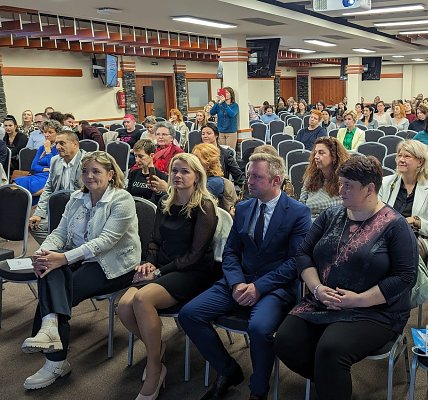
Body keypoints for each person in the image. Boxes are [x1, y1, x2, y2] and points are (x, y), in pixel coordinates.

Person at [274, 156, 418, 400]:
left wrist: (358, 300)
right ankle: (331, 382)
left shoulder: (395, 225)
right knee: (285, 342)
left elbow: (405, 277)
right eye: (341, 183)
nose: (340, 190)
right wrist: (317, 288)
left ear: (370, 189)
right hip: (322, 299)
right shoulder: (332, 215)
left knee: (331, 350)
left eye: (348, 185)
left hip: (374, 310)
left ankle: (331, 382)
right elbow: (303, 254)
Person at [179, 152, 312, 400]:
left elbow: (295, 262)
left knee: (259, 328)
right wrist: (238, 281)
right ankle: (228, 370)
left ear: (276, 181)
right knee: (190, 314)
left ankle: (258, 390)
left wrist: (259, 287)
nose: (249, 181)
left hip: (275, 286)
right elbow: (231, 251)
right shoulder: (243, 207)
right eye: (249, 175)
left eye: (257, 177)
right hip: (238, 280)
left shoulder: (297, 212)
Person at [21, 151, 141, 390]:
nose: (89, 176)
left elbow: (105, 242)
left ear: (110, 174)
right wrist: (43, 253)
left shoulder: (122, 199)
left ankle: (54, 357)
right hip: (80, 257)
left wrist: (63, 258)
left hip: (114, 265)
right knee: (49, 269)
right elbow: (60, 232)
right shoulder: (77, 197)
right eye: (85, 171)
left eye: (96, 171)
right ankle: (51, 336)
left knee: (63, 288)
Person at [118, 153, 220, 400]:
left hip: (193, 273)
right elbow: (155, 241)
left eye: (185, 171)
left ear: (197, 177)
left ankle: (155, 368)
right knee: (123, 306)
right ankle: (157, 348)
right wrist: (148, 263)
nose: (178, 175)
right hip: (164, 267)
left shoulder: (204, 206)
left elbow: (195, 256)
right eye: (175, 170)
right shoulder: (166, 200)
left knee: (142, 300)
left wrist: (160, 271)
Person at [379, 140, 428, 268]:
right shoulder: (386, 183)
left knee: (401, 248)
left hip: (418, 239)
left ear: (420, 162)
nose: (401, 159)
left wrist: (417, 222)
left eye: (407, 156)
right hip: (387, 235)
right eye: (399, 155)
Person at [28, 132, 85, 244]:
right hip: (59, 208)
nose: (58, 147)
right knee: (35, 226)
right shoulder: (55, 160)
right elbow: (48, 188)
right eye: (57, 143)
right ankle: (59, 250)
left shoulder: (87, 161)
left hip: (81, 210)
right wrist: (39, 213)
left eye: (62, 143)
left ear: (75, 144)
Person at [300, 137, 350, 220]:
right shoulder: (310, 178)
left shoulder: (344, 180)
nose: (316, 157)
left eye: (321, 153)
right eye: (315, 153)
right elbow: (301, 205)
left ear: (334, 156)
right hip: (310, 224)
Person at [14, 120, 61, 203]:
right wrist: (45, 169)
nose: (46, 135)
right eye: (45, 132)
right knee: (15, 185)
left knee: (26, 190)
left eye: (50, 132)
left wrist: (48, 151)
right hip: (38, 174)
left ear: (57, 133)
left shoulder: (59, 148)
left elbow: (54, 166)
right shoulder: (41, 148)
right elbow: (33, 166)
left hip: (50, 177)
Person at [192, 143, 237, 212]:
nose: (193, 161)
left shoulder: (215, 182)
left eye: (197, 158)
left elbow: (195, 203)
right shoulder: (200, 178)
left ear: (209, 162)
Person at [200, 123, 246, 190]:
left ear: (216, 135)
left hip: (219, 188)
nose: (205, 136)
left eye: (208, 133)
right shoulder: (197, 153)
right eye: (203, 134)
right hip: (201, 186)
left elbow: (238, 175)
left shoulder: (225, 153)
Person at [127, 139, 168, 204]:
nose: (137, 160)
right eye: (135, 156)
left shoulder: (161, 177)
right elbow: (128, 195)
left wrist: (158, 192)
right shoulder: (133, 173)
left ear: (151, 155)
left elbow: (158, 202)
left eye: (141, 156)